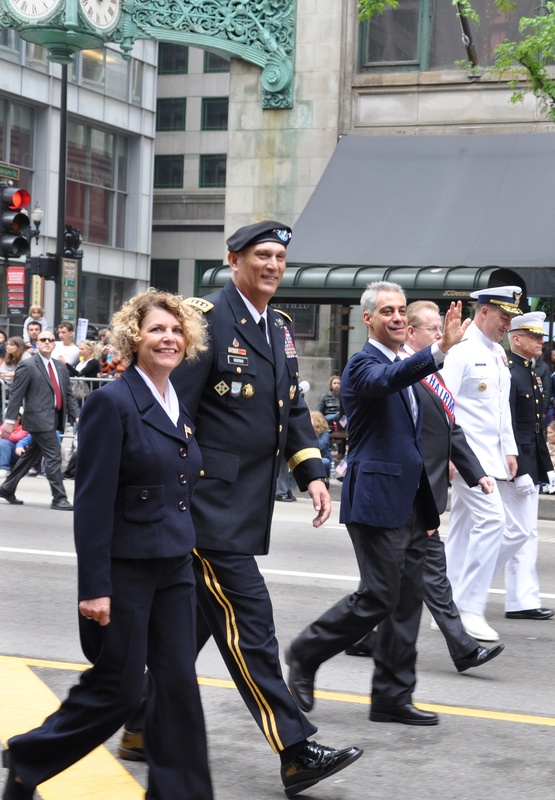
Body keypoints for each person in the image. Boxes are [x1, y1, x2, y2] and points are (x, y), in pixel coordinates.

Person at [123, 221, 362, 796]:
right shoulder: (204, 321)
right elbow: (168, 406)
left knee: (193, 630)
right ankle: (295, 750)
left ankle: (135, 723)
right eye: (262, 255)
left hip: (243, 505)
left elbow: (292, 410)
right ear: (234, 261)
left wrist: (312, 474)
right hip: (204, 507)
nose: (274, 265)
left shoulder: (277, 328)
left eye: (280, 257)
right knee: (250, 623)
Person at [1, 290, 213, 800]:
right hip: (127, 570)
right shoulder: (112, 401)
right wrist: (95, 587)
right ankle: (30, 760)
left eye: (177, 330)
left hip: (174, 566)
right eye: (157, 329)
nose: (168, 338)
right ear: (133, 337)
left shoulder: (174, 400)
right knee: (119, 691)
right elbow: (92, 504)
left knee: (179, 687)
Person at [285, 283, 468, 726]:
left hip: (412, 501)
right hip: (376, 499)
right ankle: (305, 653)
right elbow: (384, 382)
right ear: (368, 319)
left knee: (407, 600)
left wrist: (428, 505)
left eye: (402, 310)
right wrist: (440, 346)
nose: (398, 318)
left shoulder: (406, 364)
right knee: (378, 597)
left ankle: (392, 695)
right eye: (388, 311)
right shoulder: (362, 365)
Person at [339, 299, 504, 675]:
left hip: (419, 497)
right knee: (394, 583)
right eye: (432, 329)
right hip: (395, 497)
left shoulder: (429, 375)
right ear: (412, 334)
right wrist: (439, 349)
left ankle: (375, 640)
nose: (441, 334)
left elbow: (449, 429)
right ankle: (456, 647)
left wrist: (475, 471)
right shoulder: (393, 370)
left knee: (400, 581)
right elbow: (390, 398)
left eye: (440, 328)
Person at [438, 286, 525, 642]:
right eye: (504, 316)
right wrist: (445, 452)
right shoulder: (461, 349)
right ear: (484, 311)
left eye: (511, 318)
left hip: (489, 457)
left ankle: (443, 603)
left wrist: (510, 449)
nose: (508, 324)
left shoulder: (496, 354)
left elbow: (500, 408)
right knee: (493, 521)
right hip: (465, 457)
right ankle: (469, 607)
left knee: (461, 530)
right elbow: (443, 402)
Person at [504, 311, 555, 621]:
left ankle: (522, 599)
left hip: (528, 463)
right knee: (516, 532)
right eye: (534, 336)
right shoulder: (511, 372)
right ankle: (460, 588)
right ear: (517, 339)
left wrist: (546, 466)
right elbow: (509, 426)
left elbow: (536, 427)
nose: (540, 341)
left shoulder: (531, 373)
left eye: (540, 336)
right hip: (513, 467)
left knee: (527, 533)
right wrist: (523, 469)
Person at [0, 329, 79, 509]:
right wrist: (10, 421)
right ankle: (59, 498)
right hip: (38, 419)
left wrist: (78, 416)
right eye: (43, 339)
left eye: (50, 340)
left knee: (30, 455)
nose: (47, 342)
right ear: (37, 343)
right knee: (53, 456)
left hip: (55, 418)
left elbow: (68, 394)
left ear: (54, 343)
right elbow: (16, 395)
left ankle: (7, 487)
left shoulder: (60, 366)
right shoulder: (28, 365)